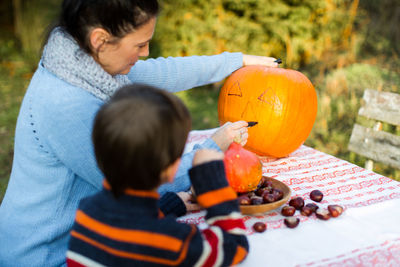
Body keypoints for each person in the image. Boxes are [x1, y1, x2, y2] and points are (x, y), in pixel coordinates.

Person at [0, 0, 277, 265]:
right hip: (47, 256)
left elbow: (164, 71)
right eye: (140, 44)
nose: (145, 52)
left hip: (89, 235)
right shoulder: (67, 104)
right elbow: (151, 182)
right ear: (100, 40)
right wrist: (210, 152)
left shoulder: (83, 64)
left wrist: (237, 61)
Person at [67, 84, 249, 266]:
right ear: (171, 170)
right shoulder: (170, 241)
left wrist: (166, 207)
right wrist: (212, 182)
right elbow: (235, 246)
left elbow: (129, 227)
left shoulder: (86, 212)